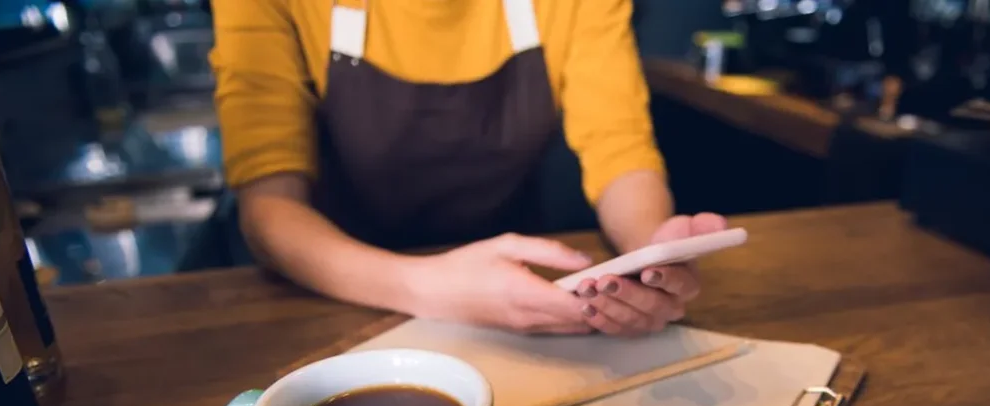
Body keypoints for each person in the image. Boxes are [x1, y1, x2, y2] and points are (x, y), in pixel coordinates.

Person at [208, 0, 726, 336]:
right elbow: (268, 205)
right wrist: (425, 287)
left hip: (517, 289)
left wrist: (648, 254)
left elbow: (619, 148)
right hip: (336, 289)